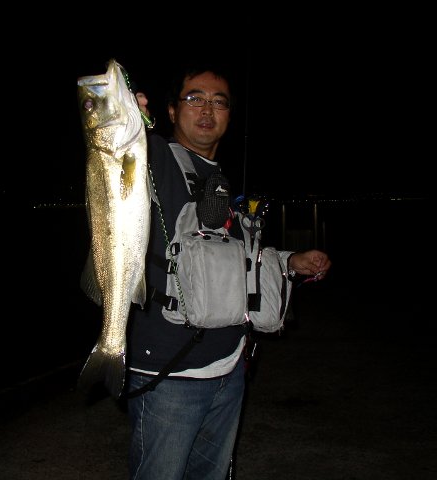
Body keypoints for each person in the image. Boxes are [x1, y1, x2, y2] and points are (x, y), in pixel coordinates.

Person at [125, 63, 332, 480]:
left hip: (229, 367)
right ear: (171, 110)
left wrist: (290, 262)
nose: (207, 109)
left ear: (229, 116)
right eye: (195, 98)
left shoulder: (218, 180)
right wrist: (127, 118)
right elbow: (115, 149)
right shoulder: (154, 159)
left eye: (218, 102)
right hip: (170, 374)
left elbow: (232, 260)